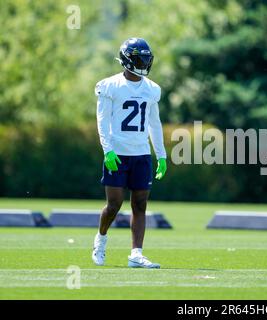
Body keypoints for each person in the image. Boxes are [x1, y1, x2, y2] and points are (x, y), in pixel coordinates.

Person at [92, 37, 167, 268]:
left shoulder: (152, 89)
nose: (143, 63)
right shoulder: (110, 86)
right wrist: (108, 151)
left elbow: (155, 124)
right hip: (117, 153)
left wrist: (161, 155)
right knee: (114, 204)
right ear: (127, 60)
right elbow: (102, 121)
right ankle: (101, 240)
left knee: (140, 204)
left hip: (141, 154)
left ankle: (136, 253)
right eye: (139, 58)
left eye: (146, 58)